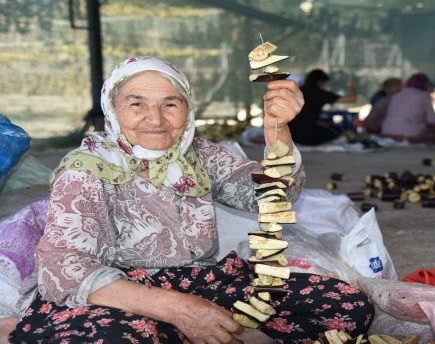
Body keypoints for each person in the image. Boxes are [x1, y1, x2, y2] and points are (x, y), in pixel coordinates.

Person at [9, 57, 374, 344]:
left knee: (346, 307)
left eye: (171, 104)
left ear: (188, 110)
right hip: (121, 293)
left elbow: (272, 196)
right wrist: (178, 309)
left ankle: (188, 332)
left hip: (200, 280)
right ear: (112, 109)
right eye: (136, 104)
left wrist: (277, 129)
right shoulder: (86, 169)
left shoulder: (197, 154)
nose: (155, 119)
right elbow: (64, 268)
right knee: (113, 336)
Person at [288, 69, 357, 145]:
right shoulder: (321, 94)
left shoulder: (297, 91)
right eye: (325, 84)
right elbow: (352, 99)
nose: (325, 86)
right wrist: (352, 87)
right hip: (308, 136)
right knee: (336, 130)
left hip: (291, 135)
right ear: (320, 82)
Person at [380, 73, 435, 143]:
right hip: (409, 135)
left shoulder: (397, 94)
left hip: (386, 132)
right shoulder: (423, 95)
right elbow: (432, 121)